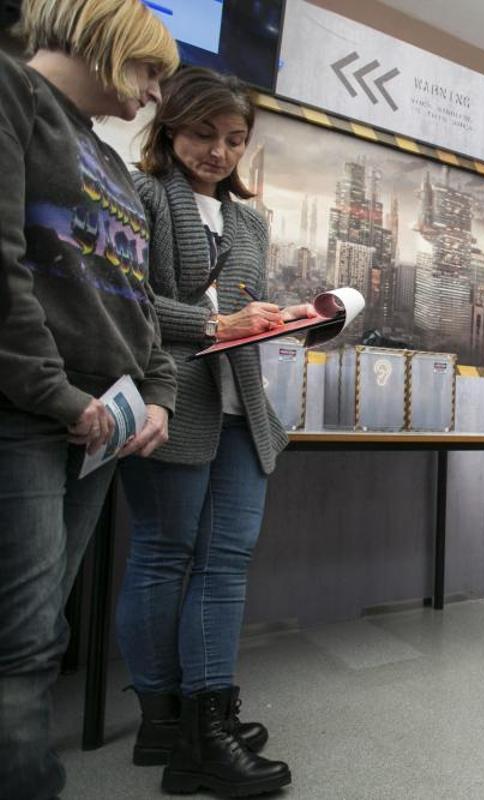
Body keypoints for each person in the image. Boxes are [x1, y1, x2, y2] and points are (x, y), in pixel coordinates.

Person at [114, 67, 308, 797]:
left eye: (234, 140)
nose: (218, 152)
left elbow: (245, 306)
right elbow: (123, 300)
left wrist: (288, 321)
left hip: (241, 407)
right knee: (164, 556)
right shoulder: (142, 196)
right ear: (169, 126)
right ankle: (166, 722)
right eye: (204, 133)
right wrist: (216, 324)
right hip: (171, 401)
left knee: (226, 561)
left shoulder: (252, 221)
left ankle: (206, 720)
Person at [0, 1, 178, 797]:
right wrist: (56, 395)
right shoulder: (15, 97)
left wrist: (160, 396)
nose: (154, 95)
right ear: (108, 45)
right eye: (149, 71)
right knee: (22, 640)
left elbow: (135, 305)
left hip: (103, 422)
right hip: (32, 412)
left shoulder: (115, 169)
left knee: (44, 630)